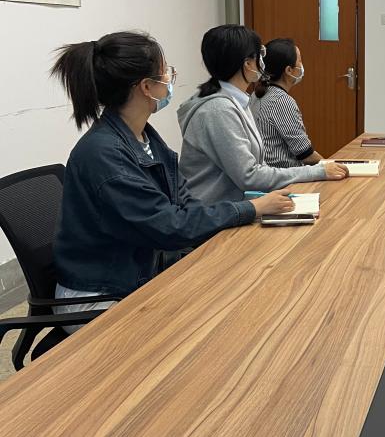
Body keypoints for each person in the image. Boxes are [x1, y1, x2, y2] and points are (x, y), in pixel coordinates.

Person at [49, 31, 294, 329]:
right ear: (146, 87)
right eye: (166, 71)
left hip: (137, 273)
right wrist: (250, 209)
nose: (170, 77)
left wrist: (239, 215)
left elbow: (185, 202)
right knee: (210, 326)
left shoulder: (145, 137)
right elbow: (169, 226)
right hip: (98, 296)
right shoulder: (104, 154)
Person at [177, 24, 347, 203]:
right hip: (214, 212)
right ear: (247, 64)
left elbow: (257, 167)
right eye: (260, 54)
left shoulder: (238, 100)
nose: (263, 61)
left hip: (236, 204)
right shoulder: (218, 110)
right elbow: (249, 176)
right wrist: (317, 171)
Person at [254, 38, 324, 168]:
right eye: (300, 61)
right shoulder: (281, 101)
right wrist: (331, 164)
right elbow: (306, 155)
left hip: (269, 171)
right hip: (284, 174)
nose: (302, 66)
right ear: (289, 70)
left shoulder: (256, 94)